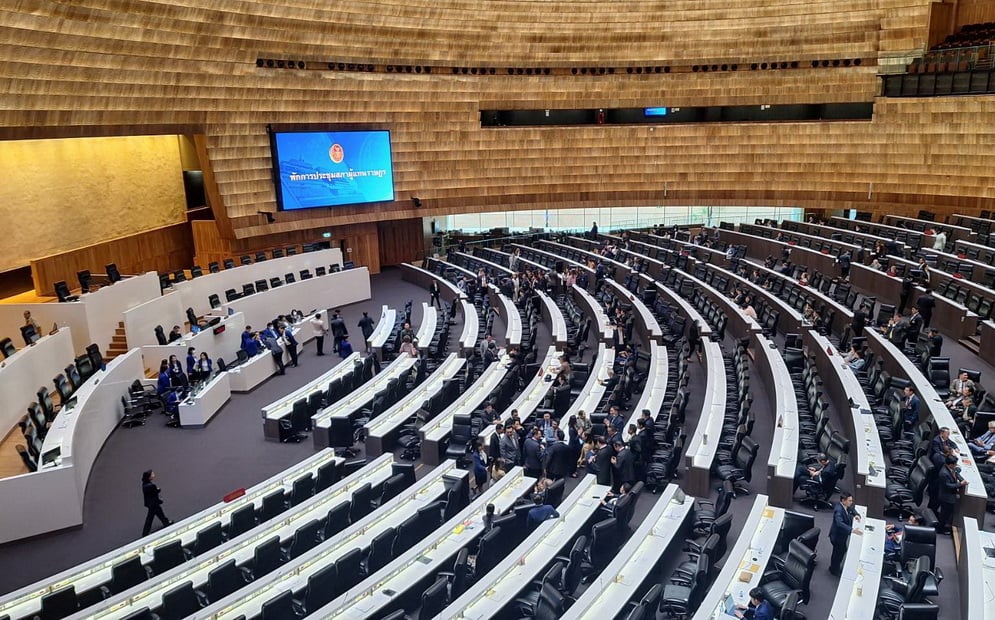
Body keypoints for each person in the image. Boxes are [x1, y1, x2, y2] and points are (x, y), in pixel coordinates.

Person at [829, 492, 862, 576]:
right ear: (843, 501)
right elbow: (839, 523)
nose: (851, 502)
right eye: (849, 501)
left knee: (841, 550)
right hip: (837, 536)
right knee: (838, 552)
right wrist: (852, 530)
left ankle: (834, 567)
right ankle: (834, 570)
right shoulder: (838, 510)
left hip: (842, 535)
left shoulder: (846, 506)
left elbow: (852, 509)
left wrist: (856, 515)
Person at [936, 455, 968, 534]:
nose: (956, 465)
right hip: (946, 497)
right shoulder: (944, 473)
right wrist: (960, 484)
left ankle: (945, 525)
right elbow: (948, 486)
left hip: (949, 495)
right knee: (944, 514)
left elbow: (956, 474)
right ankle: (940, 529)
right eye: (955, 464)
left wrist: (962, 480)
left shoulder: (951, 468)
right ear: (950, 464)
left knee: (947, 513)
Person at [141, 470, 171, 536]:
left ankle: (166, 522)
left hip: (151, 503)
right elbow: (155, 492)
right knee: (150, 518)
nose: (153, 475)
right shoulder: (151, 485)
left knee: (160, 513)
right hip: (153, 503)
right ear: (149, 477)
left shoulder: (145, 484)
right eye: (152, 474)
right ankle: (145, 532)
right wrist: (158, 490)